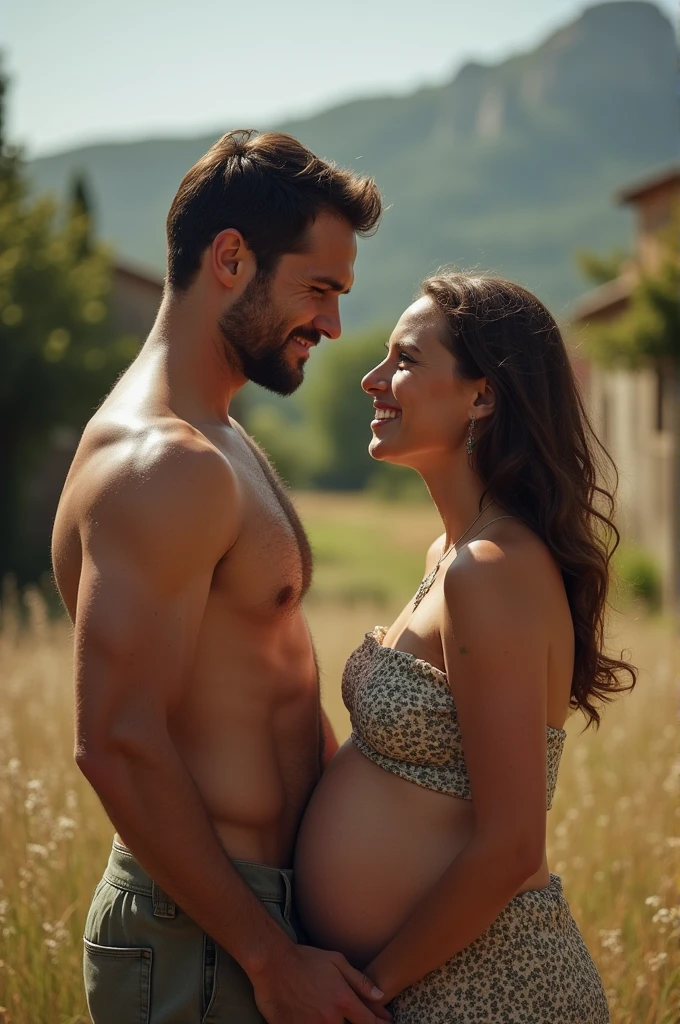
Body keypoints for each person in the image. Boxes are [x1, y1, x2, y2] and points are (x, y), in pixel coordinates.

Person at [51, 129, 390, 1024]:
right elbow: (116, 739)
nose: (334, 324)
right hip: (202, 941)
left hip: (256, 920)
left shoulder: (225, 439)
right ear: (231, 259)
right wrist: (267, 956)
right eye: (319, 289)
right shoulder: (162, 463)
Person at [295, 272, 637, 1023]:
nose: (372, 378)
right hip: (436, 985)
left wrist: (370, 994)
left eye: (405, 360)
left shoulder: (490, 571)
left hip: (487, 991)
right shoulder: (451, 556)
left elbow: (513, 847)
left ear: (483, 395)